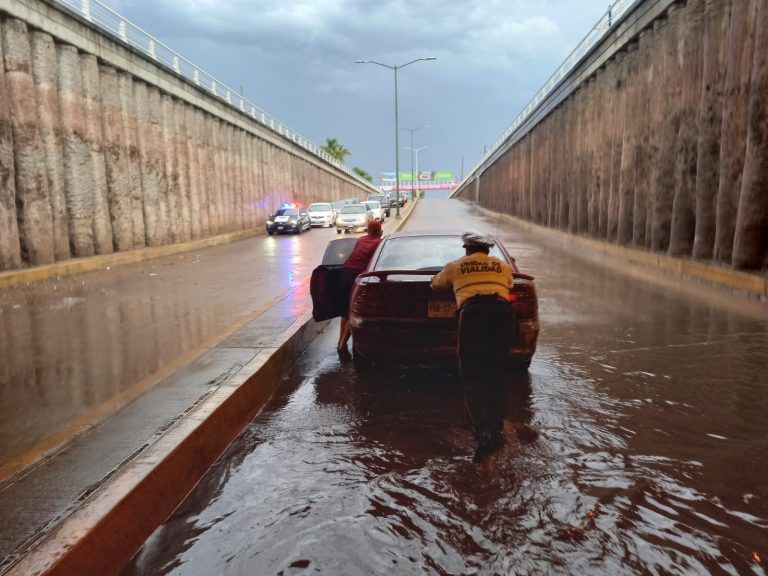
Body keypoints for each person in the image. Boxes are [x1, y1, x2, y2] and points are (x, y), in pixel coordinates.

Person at [430, 230, 516, 462]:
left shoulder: (455, 266)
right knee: (496, 373)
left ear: (467, 249)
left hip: (473, 315)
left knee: (472, 375)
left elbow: (436, 285)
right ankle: (496, 429)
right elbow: (510, 284)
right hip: (502, 315)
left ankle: (483, 432)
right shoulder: (502, 266)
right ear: (487, 250)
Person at [337, 219, 383, 352]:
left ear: (368, 231)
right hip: (357, 276)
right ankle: (342, 345)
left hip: (344, 273)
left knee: (345, 312)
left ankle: (340, 341)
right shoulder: (379, 243)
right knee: (354, 311)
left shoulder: (361, 239)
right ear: (381, 231)